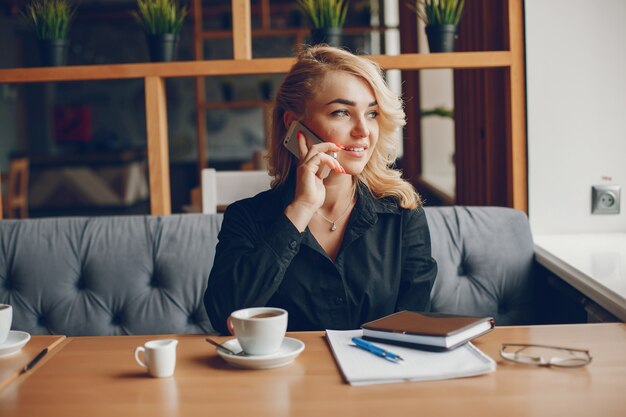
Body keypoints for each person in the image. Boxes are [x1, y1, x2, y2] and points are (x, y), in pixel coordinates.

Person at [204, 45, 437, 334]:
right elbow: (223, 315)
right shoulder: (247, 218)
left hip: (377, 375)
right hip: (284, 378)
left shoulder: (402, 215)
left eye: (372, 113)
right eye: (342, 112)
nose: (363, 131)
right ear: (294, 125)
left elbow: (412, 328)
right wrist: (300, 210)